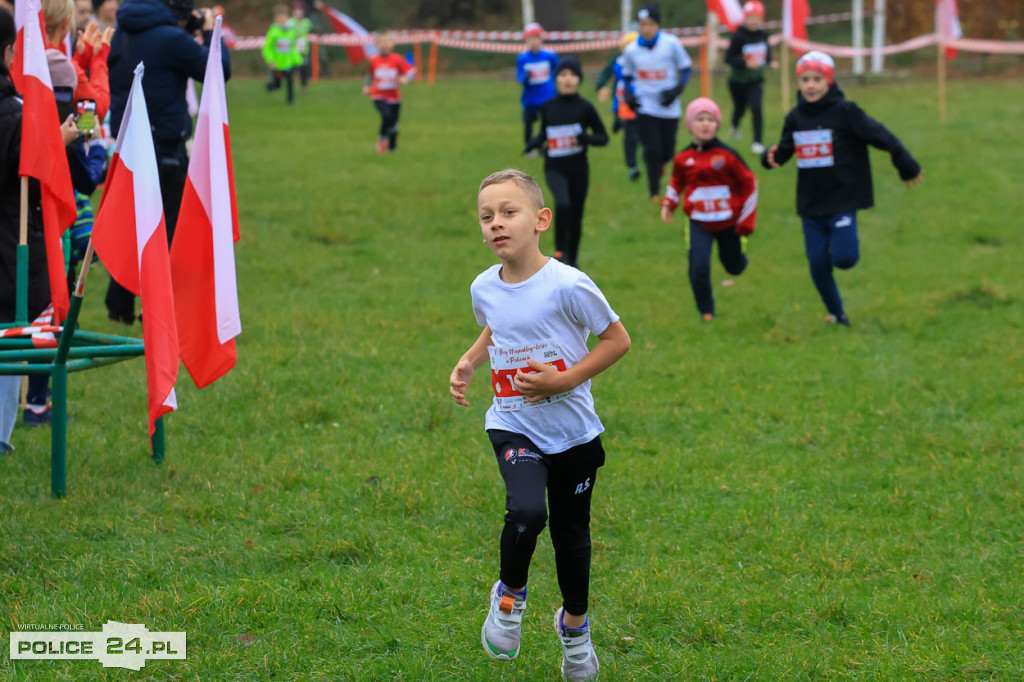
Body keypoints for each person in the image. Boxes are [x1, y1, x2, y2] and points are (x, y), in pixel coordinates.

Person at [450, 169, 630, 681]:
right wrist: (469, 360)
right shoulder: (483, 286)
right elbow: (499, 324)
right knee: (527, 510)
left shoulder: (569, 285)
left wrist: (564, 380)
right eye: (486, 217)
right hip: (513, 423)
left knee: (572, 536)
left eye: (508, 213)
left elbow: (618, 341)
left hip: (573, 431)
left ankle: (575, 629)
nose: (496, 225)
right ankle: (509, 598)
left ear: (540, 220)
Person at [762, 51, 923, 326]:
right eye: (804, 80)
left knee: (845, 257)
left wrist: (906, 164)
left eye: (817, 79)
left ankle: (841, 254)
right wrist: (769, 157)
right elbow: (785, 150)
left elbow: (881, 135)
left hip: (843, 198)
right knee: (817, 263)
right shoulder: (795, 117)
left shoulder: (847, 111)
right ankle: (836, 313)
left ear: (829, 80)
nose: (810, 85)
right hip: (811, 203)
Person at [105, 0, 230, 324]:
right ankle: (157, 306)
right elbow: (218, 71)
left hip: (128, 142)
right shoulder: (172, 40)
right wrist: (211, 31)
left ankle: (120, 303)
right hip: (164, 147)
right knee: (169, 229)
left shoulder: (123, 33)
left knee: (133, 224)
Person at [661, 97, 757, 320]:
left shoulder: (728, 155)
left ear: (717, 124)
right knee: (699, 267)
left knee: (734, 267)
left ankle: (738, 259)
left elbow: (750, 183)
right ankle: (706, 311)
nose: (705, 124)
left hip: (728, 222)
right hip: (699, 221)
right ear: (690, 125)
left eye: (710, 119)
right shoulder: (683, 158)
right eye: (699, 119)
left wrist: (746, 220)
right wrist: (668, 204)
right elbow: (676, 182)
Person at [524, 56, 608, 270]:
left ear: (579, 79)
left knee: (577, 212)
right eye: (563, 74)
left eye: (572, 74)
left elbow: (603, 137)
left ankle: (573, 258)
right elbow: (545, 130)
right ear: (556, 79)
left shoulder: (585, 108)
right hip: (555, 168)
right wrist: (536, 142)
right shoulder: (549, 106)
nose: (567, 79)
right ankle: (560, 253)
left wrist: (586, 139)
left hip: (579, 169)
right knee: (562, 204)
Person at [620, 3, 692, 201]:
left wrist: (676, 90)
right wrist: (629, 96)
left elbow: (686, 69)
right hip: (646, 107)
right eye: (642, 24)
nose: (646, 28)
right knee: (652, 150)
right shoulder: (632, 50)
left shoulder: (671, 44)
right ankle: (654, 193)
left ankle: (660, 163)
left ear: (658, 25)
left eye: (650, 24)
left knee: (667, 151)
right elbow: (626, 76)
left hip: (669, 107)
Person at [725, 1, 778, 155]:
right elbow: (728, 58)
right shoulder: (738, 36)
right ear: (745, 18)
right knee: (740, 109)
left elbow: (766, 53)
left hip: (756, 80)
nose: (754, 21)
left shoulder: (763, 35)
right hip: (737, 81)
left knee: (756, 107)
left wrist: (771, 61)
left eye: (757, 17)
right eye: (751, 17)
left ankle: (757, 142)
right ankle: (734, 125)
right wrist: (745, 63)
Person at [596, 31, 640, 181]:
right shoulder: (619, 62)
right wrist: (601, 86)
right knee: (630, 136)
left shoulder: (645, 61)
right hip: (624, 103)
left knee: (642, 134)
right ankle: (632, 165)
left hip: (643, 103)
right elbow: (608, 75)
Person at [362, 31, 413, 154]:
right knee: (386, 116)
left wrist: (405, 79)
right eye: (382, 43)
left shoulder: (397, 59)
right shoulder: (374, 60)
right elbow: (370, 74)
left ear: (392, 44)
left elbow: (410, 71)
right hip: (378, 94)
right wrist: (366, 86)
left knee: (394, 123)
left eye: (387, 43)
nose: (385, 46)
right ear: (377, 45)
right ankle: (382, 138)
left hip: (394, 96)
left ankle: (392, 145)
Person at [516, 22, 558, 157]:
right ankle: (529, 148)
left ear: (541, 39)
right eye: (530, 38)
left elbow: (558, 71)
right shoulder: (523, 58)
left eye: (536, 38)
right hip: (530, 99)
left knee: (547, 124)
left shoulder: (549, 56)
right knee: (528, 124)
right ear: (526, 40)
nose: (534, 41)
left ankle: (544, 147)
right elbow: (520, 77)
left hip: (547, 97)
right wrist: (525, 78)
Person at [263, 4, 301, 104]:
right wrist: (270, 60)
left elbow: (293, 47)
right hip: (277, 64)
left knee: (290, 81)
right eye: (279, 18)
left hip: (288, 63)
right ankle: (270, 86)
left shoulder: (291, 32)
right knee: (278, 84)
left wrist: (297, 60)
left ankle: (290, 100)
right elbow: (267, 48)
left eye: (283, 18)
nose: (282, 20)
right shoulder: (273, 32)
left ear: (287, 18)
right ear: (275, 19)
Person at [288, 1, 312, 91]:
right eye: (296, 10)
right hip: (292, 51)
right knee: (292, 70)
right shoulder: (290, 23)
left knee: (304, 70)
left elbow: (313, 32)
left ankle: (303, 86)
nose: (298, 12)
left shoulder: (307, 22)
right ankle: (291, 84)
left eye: (300, 10)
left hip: (303, 50)